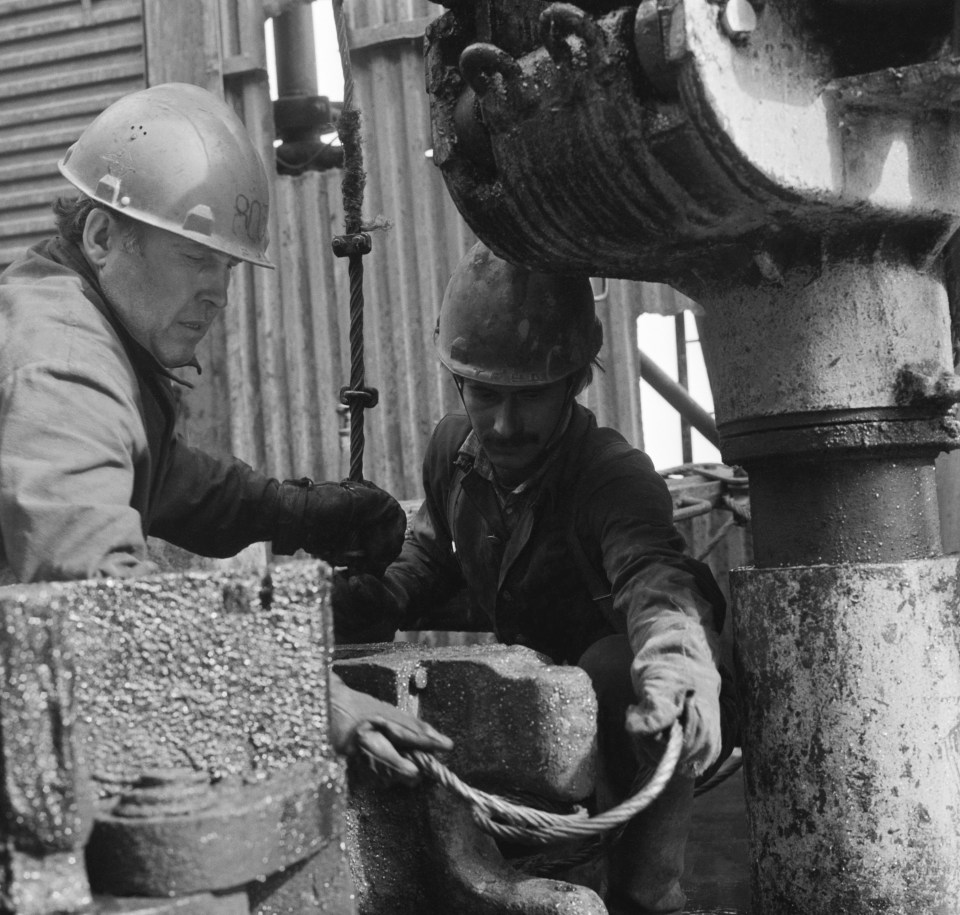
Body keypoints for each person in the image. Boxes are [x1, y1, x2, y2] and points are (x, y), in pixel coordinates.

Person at [0, 82, 451, 784]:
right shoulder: (63, 366)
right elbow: (95, 595)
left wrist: (291, 510)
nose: (218, 292)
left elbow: (167, 477)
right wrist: (304, 692)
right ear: (100, 235)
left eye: (228, 266)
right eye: (194, 257)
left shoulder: (78, 322)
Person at [332, 242, 737, 913]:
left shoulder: (610, 474)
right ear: (460, 382)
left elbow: (653, 574)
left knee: (617, 668)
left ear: (576, 381)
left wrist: (680, 659)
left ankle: (652, 897)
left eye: (530, 398)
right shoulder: (453, 450)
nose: (503, 422)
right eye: (485, 394)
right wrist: (381, 597)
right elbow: (436, 548)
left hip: (643, 701)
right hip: (544, 690)